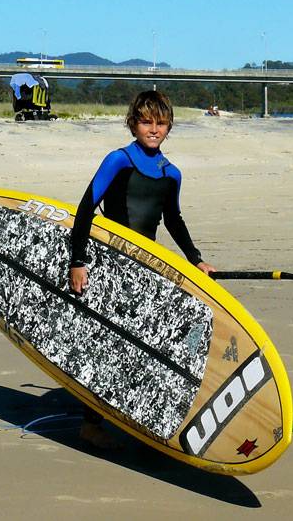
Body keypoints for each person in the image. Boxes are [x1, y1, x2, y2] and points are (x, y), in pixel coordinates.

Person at [68, 90, 216, 448]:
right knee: (107, 344)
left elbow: (173, 220)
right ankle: (90, 422)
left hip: (145, 269)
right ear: (133, 123)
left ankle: (142, 417)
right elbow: (86, 208)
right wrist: (78, 261)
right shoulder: (118, 161)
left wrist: (195, 258)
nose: (154, 129)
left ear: (169, 127)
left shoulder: (171, 174)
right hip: (109, 266)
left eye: (161, 123)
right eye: (147, 122)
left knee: (147, 345)